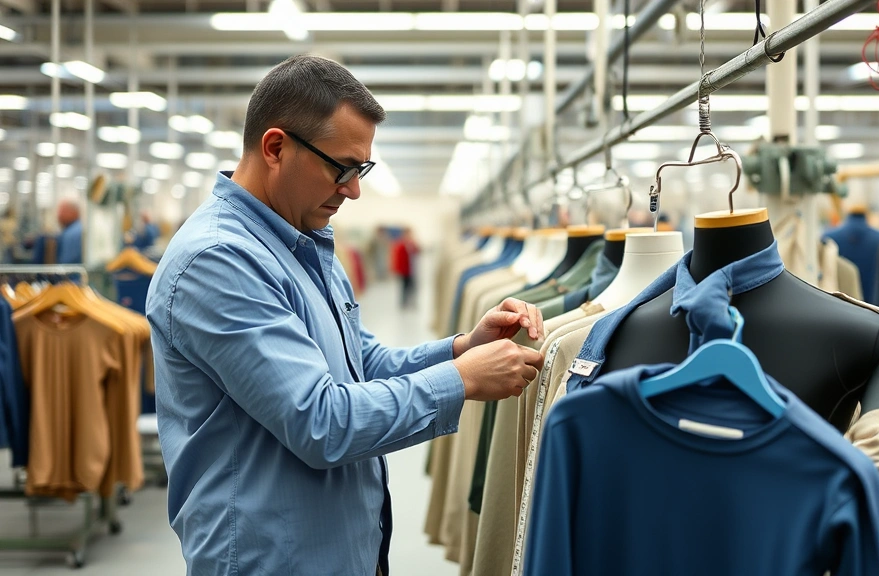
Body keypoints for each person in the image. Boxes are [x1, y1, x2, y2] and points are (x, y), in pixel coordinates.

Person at [145, 54, 546, 576]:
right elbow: (321, 423)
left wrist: (459, 349)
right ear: (275, 147)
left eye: (362, 169)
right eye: (342, 167)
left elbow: (358, 360)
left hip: (343, 551)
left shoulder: (302, 241)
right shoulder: (217, 261)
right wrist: (460, 381)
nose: (354, 189)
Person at [390, 227, 418, 309]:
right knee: (404, 288)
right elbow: (397, 258)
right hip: (404, 271)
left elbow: (418, 251)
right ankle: (404, 303)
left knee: (412, 287)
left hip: (411, 270)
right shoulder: (400, 245)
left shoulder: (411, 244)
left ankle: (411, 302)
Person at [55, 199, 82, 264]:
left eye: (62, 212)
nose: (59, 216)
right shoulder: (71, 230)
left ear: (73, 212)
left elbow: (67, 261)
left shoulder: (73, 233)